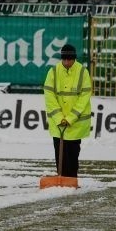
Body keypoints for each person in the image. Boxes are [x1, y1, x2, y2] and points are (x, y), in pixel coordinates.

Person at [43, 44, 92, 178]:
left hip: (75, 125)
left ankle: (71, 178)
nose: (66, 62)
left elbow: (84, 98)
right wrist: (59, 118)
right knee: (60, 153)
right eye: (64, 59)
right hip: (58, 124)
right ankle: (62, 178)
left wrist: (70, 118)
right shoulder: (53, 72)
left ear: (74, 59)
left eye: (69, 59)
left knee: (72, 154)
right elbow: (49, 96)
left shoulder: (83, 72)